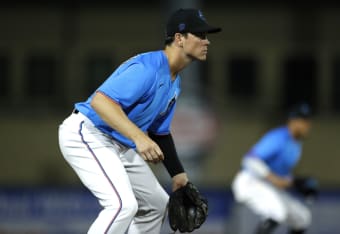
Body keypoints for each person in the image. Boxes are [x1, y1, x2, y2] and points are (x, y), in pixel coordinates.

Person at [58, 8, 221, 234]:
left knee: (156, 205)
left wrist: (178, 174)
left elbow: (159, 132)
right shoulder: (147, 68)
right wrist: (138, 138)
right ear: (179, 38)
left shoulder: (174, 82)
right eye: (200, 35)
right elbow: (100, 102)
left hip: (118, 143)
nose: (207, 42)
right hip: (88, 133)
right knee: (122, 205)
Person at [231, 102, 318, 234]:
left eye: (308, 120)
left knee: (302, 217)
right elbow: (250, 160)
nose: (307, 125)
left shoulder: (296, 145)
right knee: (277, 212)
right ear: (293, 121)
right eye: (304, 120)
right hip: (249, 181)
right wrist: (277, 180)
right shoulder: (279, 137)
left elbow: (280, 176)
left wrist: (296, 183)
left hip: (267, 185)